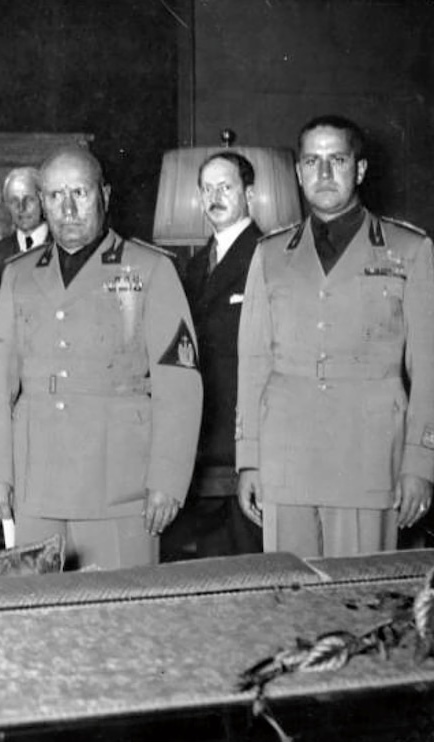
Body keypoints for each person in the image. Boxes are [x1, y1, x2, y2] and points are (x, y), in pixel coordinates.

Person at [0, 146, 202, 569]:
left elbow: (180, 388)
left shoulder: (149, 269)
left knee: (119, 618)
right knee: (36, 614)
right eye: (55, 195)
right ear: (42, 201)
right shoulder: (19, 274)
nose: (67, 208)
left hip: (118, 483)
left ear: (105, 194)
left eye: (79, 192)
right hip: (36, 480)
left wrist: (168, 481)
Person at [237, 115, 434, 557]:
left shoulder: (409, 250)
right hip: (286, 459)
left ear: (359, 170)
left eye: (337, 160)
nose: (324, 174)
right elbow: (252, 364)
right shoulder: (270, 254)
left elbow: (430, 370)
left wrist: (421, 463)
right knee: (287, 600)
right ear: (298, 172)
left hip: (368, 460)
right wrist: (248, 458)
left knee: (361, 606)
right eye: (312, 161)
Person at [161, 151, 262, 560]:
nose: (215, 196)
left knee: (250, 561)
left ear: (249, 194)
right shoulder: (194, 265)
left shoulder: (266, 256)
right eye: (207, 188)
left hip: (243, 446)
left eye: (226, 187)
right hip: (202, 445)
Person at [0, 167, 49, 265]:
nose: (21, 208)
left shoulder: (64, 249)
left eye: (29, 199)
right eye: (14, 201)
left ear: (42, 200)